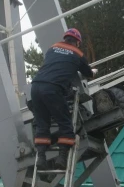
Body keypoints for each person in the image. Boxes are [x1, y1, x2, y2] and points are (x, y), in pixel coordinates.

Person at [30, 28, 97, 170]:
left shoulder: (52, 48)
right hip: (53, 89)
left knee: (42, 123)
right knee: (64, 122)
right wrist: (92, 72)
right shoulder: (78, 54)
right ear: (77, 42)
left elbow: (55, 64)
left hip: (35, 87)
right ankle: (62, 157)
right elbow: (88, 73)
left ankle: (41, 158)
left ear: (65, 38)